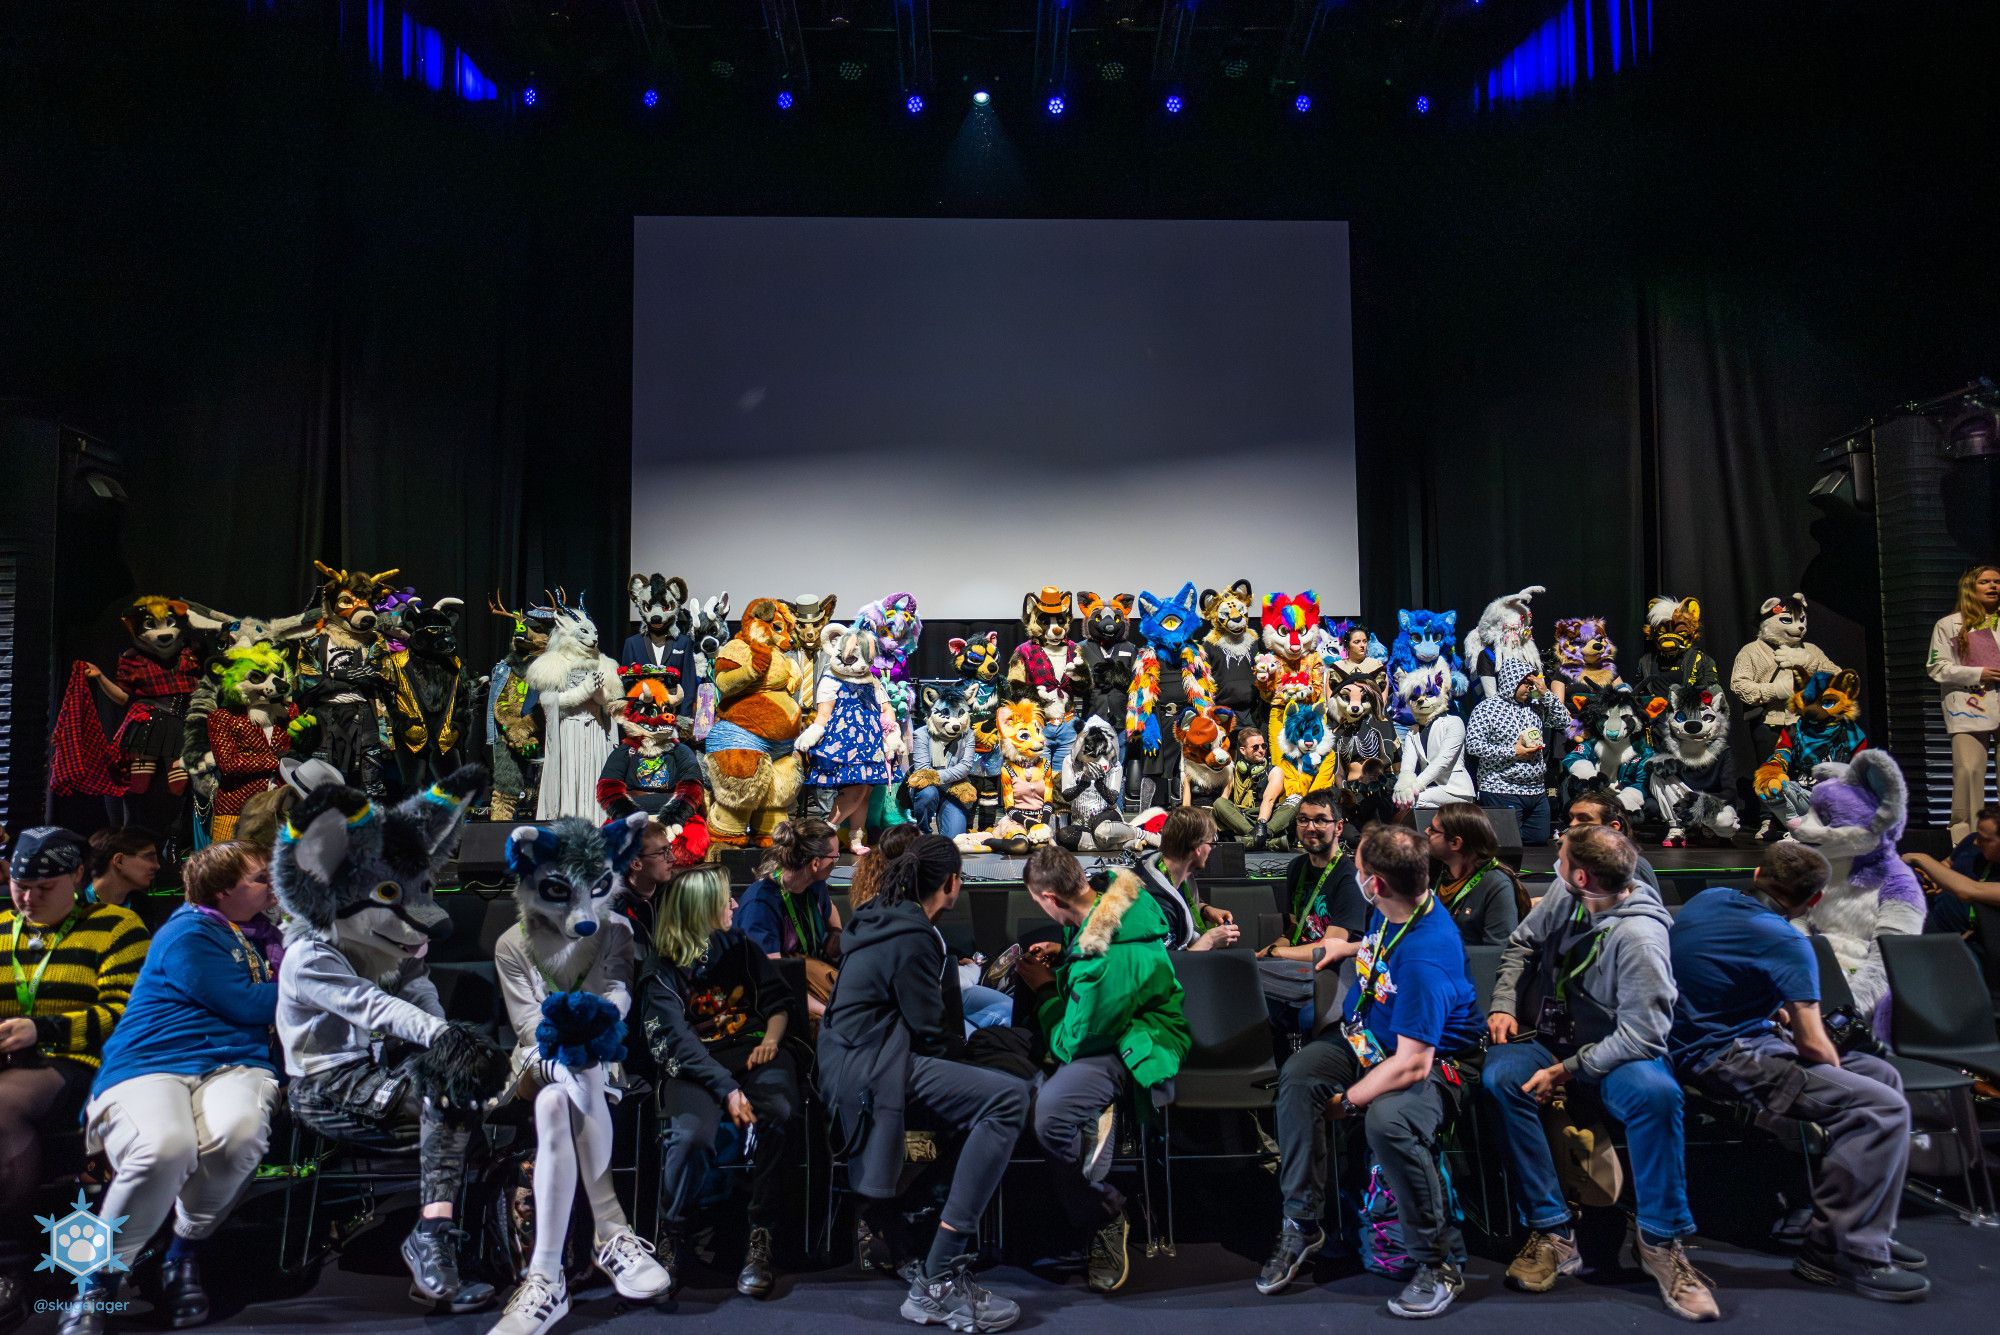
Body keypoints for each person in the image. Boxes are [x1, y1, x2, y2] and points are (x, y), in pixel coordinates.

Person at [1669, 843, 1927, 1302]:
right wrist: (1831, 1056)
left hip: (1727, 1039)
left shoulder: (1708, 900)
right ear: (1813, 901)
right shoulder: (1788, 941)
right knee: (1878, 1106)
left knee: (1882, 1076)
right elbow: (1813, 1044)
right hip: (1723, 1058)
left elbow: (1718, 977)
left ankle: (1859, 1228)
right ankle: (1839, 1253)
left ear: (1755, 873)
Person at [1483, 825, 1716, 1321]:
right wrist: (1504, 1003)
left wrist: (1566, 1072)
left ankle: (1660, 1241)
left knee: (1658, 1096)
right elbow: (1520, 945)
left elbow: (1644, 1037)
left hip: (1614, 1052)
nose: (1554, 865)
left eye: (1561, 858)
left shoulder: (1640, 938)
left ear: (1582, 875)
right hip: (1550, 1039)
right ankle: (1552, 1229)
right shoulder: (1568, 897)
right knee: (1501, 1079)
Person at [1258, 824, 1481, 1318]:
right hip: (1368, 1039)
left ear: (1375, 884)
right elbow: (1383, 956)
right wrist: (1352, 948)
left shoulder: (1429, 955)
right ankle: (1302, 1222)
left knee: (1389, 1122)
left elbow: (1412, 1064)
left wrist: (1350, 1101)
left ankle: (1438, 1262)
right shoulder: (1395, 909)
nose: (1353, 874)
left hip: (1435, 1062)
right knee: (1299, 1077)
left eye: (1358, 870)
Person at [816, 835, 1029, 1332]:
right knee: (1009, 1098)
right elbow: (932, 1033)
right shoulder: (915, 936)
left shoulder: (880, 917)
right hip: (871, 1066)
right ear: (952, 884)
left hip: (854, 1059)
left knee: (997, 1090)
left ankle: (913, 1220)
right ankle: (938, 1279)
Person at [66, 843, 281, 1334]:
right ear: (223, 891)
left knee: (242, 1134)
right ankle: (95, 1281)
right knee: (165, 1147)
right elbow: (248, 1004)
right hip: (151, 1062)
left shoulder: (263, 935)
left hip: (233, 1063)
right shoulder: (188, 931)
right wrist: (306, 984)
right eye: (260, 879)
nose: (272, 884)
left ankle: (183, 1251)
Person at [1016, 847, 1191, 1294]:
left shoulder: (1103, 961)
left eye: (1039, 903)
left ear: (1051, 897)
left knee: (1050, 1116)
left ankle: (1105, 1213)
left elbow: (1073, 1041)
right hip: (1116, 1028)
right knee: (1019, 1072)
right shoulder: (1119, 906)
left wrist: (1043, 992)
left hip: (1133, 1046)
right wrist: (1068, 950)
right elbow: (1097, 957)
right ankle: (1090, 1134)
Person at [0, 829, 150, 1329]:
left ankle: (9, 1263)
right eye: (20, 884)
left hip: (80, 1063)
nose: (28, 897)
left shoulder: (116, 927)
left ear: (79, 876)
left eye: (45, 887)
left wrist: (41, 1028)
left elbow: (125, 1013)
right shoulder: (2, 925)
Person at [641, 864, 799, 1300]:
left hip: (752, 1052)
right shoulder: (663, 968)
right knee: (691, 1137)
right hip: (696, 1065)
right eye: (725, 899)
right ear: (700, 908)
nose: (734, 904)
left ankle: (760, 1234)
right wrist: (727, 1088)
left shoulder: (739, 946)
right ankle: (673, 1232)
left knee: (779, 1112)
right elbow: (674, 1042)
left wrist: (770, 1038)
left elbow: (778, 1000)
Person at [733, 818, 843, 1013]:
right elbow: (773, 977)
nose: (836, 861)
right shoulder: (761, 905)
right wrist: (827, 1013)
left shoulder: (814, 885)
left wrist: (836, 931)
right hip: (775, 996)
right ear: (815, 863)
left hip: (806, 976)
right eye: (835, 856)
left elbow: (830, 907)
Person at [1927, 564, 2000, 844]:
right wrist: (1978, 672)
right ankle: (1966, 843)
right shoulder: (1950, 624)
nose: (1993, 586)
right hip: (1970, 705)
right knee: (1968, 773)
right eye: (1985, 582)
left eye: (1997, 581)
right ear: (1971, 587)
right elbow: (1936, 667)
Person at [1464, 657, 1571, 846]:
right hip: (1500, 787)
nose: (1530, 688)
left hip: (1535, 790)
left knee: (1538, 839)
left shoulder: (1536, 706)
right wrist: (1513, 751)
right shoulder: (1487, 708)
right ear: (1511, 681)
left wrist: (1545, 694)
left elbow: (1565, 723)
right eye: (1526, 683)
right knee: (1506, 844)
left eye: (1532, 683)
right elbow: (1473, 745)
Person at [1907, 806, 2000, 997]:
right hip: (1927, 916)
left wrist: (1921, 858)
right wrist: (1930, 877)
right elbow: (1947, 864)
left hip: (1962, 945)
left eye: (1985, 839)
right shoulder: (1971, 843)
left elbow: (1968, 890)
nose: (1975, 842)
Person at [1130, 807, 1239, 951]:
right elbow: (1170, 966)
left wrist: (1205, 910)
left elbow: (1178, 901)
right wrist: (1210, 940)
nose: (1211, 849)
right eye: (1211, 844)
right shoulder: (1156, 905)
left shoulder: (1165, 872)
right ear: (1197, 848)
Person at [1423, 803, 1530, 946]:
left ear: (1455, 843)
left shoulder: (1496, 885)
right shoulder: (1436, 870)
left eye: (1433, 830)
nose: (1426, 831)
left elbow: (1496, 953)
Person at [1564, 791, 1662, 892]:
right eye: (1571, 818)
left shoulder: (1629, 868)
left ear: (1612, 827)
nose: (1572, 824)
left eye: (1583, 818)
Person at [1211, 726, 1276, 845]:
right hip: (1240, 817)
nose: (1261, 750)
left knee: (1295, 801)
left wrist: (1261, 824)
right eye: (1255, 747)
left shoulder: (1274, 771)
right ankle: (1256, 837)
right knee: (1218, 803)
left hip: (1262, 818)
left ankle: (1253, 838)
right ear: (1242, 750)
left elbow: (1269, 800)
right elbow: (1224, 799)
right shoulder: (1232, 770)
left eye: (1264, 746)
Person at [84, 827, 161, 911]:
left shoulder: (146, 908)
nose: (157, 866)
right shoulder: (73, 905)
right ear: (119, 861)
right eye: (149, 858)